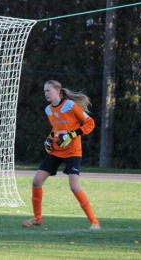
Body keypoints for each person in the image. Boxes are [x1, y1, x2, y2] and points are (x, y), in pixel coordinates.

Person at [21, 80, 100, 230]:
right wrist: (50, 138)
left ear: (57, 91)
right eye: (44, 91)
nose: (45, 94)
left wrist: (73, 134)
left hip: (73, 151)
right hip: (56, 150)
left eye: (48, 91)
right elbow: (56, 128)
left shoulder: (70, 105)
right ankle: (37, 218)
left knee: (74, 187)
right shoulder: (48, 110)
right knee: (36, 181)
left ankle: (94, 222)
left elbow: (90, 123)